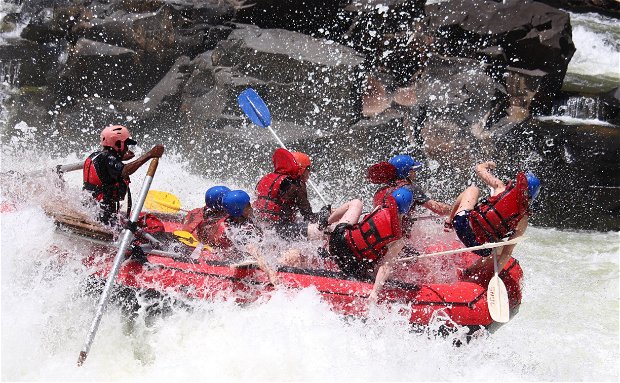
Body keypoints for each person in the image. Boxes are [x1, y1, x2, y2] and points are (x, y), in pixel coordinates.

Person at [445, 161, 541, 281]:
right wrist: (494, 277)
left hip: (461, 226)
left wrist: (486, 165)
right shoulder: (523, 219)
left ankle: (448, 222)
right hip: (480, 247)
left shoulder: (500, 187)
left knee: (473, 189)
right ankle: (468, 272)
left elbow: (479, 168)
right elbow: (507, 253)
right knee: (499, 247)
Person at [325, 187, 414, 304]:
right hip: (352, 263)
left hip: (338, 240)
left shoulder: (379, 208)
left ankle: (326, 224)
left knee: (356, 203)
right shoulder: (398, 240)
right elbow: (385, 267)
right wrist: (375, 292)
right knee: (380, 261)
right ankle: (326, 226)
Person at [83, 125, 164, 225]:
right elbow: (125, 171)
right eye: (125, 145)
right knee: (154, 227)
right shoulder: (108, 158)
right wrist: (150, 154)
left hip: (91, 208)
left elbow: (107, 167)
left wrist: (120, 157)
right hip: (103, 216)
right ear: (117, 144)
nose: (127, 148)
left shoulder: (97, 155)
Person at [253, 148, 330, 240]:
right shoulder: (296, 184)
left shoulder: (266, 179)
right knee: (320, 231)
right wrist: (325, 213)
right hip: (280, 230)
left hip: (259, 227)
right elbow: (309, 217)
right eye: (308, 168)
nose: (309, 173)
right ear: (301, 169)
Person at [368, 154, 451, 236]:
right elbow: (438, 209)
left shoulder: (380, 191)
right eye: (412, 170)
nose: (415, 173)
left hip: (379, 240)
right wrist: (456, 209)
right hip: (400, 243)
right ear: (406, 172)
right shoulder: (410, 189)